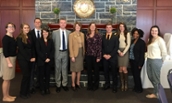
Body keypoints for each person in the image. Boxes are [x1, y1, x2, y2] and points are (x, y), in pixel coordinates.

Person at [146, 25, 168, 98]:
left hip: (156, 61)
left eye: (155, 31)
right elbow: (149, 50)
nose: (154, 32)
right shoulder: (150, 39)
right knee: (150, 76)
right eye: (152, 30)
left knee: (156, 78)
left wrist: (162, 61)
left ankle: (157, 94)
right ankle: (157, 91)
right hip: (149, 60)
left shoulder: (160, 40)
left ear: (158, 31)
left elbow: (164, 51)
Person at [52, 18, 71, 93]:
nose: (63, 24)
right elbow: (52, 44)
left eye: (64, 23)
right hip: (57, 53)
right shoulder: (54, 32)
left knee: (65, 69)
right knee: (57, 69)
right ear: (59, 24)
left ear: (66, 24)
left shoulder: (69, 33)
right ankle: (58, 84)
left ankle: (64, 84)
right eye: (61, 23)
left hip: (66, 52)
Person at [17, 23, 35, 99]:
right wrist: (29, 58)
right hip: (23, 59)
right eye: (25, 28)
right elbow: (21, 50)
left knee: (29, 76)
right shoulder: (19, 38)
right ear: (22, 29)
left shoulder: (30, 36)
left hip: (30, 58)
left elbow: (32, 47)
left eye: (28, 27)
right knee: (25, 76)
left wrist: (33, 56)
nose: (27, 29)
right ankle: (22, 93)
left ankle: (27, 91)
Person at [2, 22, 17, 102]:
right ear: (6, 28)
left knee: (9, 78)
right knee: (6, 79)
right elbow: (5, 52)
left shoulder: (12, 37)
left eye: (13, 27)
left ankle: (7, 95)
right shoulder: (6, 38)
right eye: (10, 26)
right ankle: (4, 97)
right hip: (8, 59)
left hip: (13, 58)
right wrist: (8, 62)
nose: (11, 28)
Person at [36, 27, 54, 95]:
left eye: (46, 32)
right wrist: (44, 58)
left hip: (49, 61)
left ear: (48, 33)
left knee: (47, 75)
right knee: (41, 75)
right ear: (42, 33)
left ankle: (47, 88)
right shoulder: (38, 40)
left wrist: (49, 58)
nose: (45, 33)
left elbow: (52, 50)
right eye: (44, 32)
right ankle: (42, 89)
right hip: (41, 61)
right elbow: (38, 51)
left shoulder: (51, 40)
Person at [102, 22, 119, 93]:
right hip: (104, 57)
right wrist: (104, 54)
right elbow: (101, 47)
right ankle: (107, 84)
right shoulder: (103, 36)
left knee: (114, 72)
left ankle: (114, 86)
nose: (108, 29)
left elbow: (116, 47)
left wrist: (110, 55)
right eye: (107, 27)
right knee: (106, 71)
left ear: (112, 28)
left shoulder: (115, 37)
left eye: (110, 27)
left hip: (113, 57)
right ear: (105, 28)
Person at [85, 22, 102, 91]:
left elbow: (100, 47)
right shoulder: (87, 35)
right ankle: (90, 85)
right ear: (89, 27)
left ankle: (96, 85)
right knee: (89, 71)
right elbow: (86, 45)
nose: (92, 27)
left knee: (96, 71)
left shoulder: (98, 35)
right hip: (88, 55)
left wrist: (99, 56)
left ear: (95, 27)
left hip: (96, 56)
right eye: (91, 26)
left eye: (93, 26)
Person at [69, 22, 85, 91]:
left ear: (80, 27)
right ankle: (73, 84)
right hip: (74, 54)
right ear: (74, 27)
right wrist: (72, 56)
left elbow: (84, 45)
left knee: (79, 69)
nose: (78, 27)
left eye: (79, 26)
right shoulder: (71, 35)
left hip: (81, 54)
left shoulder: (82, 34)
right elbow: (70, 46)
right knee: (74, 70)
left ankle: (77, 83)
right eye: (76, 26)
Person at [129, 28, 146, 93]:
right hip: (132, 60)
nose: (135, 35)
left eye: (137, 34)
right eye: (134, 33)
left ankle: (139, 89)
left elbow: (142, 54)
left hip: (137, 61)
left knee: (137, 75)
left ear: (139, 35)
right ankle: (136, 87)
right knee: (134, 75)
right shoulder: (132, 41)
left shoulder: (142, 42)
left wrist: (140, 64)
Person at [29, 18, 42, 94]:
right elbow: (30, 46)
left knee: (40, 71)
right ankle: (31, 87)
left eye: (39, 22)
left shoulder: (44, 32)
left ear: (41, 23)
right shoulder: (30, 33)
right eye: (36, 22)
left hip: (41, 56)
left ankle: (39, 85)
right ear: (34, 23)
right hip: (33, 56)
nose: (37, 23)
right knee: (32, 72)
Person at [117, 22, 131, 91]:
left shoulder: (127, 34)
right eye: (120, 26)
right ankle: (122, 84)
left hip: (125, 51)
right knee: (120, 68)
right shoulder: (117, 34)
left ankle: (126, 84)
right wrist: (119, 52)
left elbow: (128, 44)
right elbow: (115, 44)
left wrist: (123, 52)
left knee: (124, 69)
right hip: (119, 51)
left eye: (123, 26)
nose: (121, 28)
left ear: (125, 27)